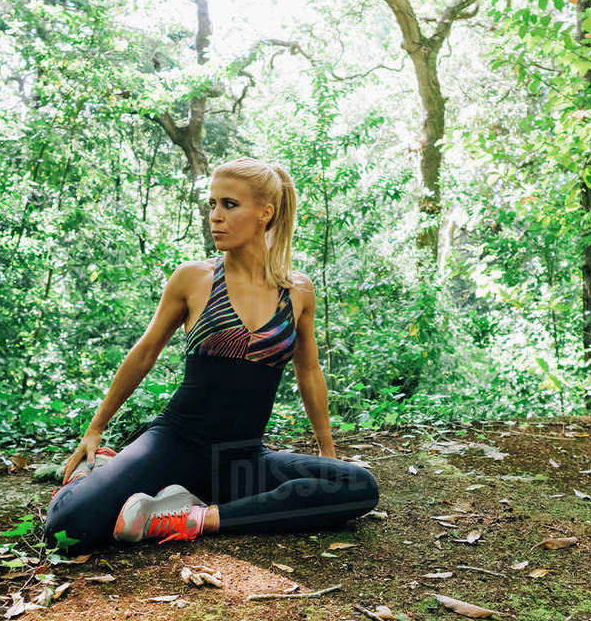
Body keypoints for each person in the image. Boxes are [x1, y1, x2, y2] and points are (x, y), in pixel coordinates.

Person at [43, 158, 379, 551]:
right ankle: (94, 472)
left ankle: (195, 517)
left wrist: (327, 452)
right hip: (174, 445)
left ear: (265, 213)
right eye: (212, 204)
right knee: (67, 529)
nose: (215, 217)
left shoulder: (298, 290)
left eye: (229, 205)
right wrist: (95, 428)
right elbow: (146, 352)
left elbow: (309, 371)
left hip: (242, 460)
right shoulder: (194, 278)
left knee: (357, 487)